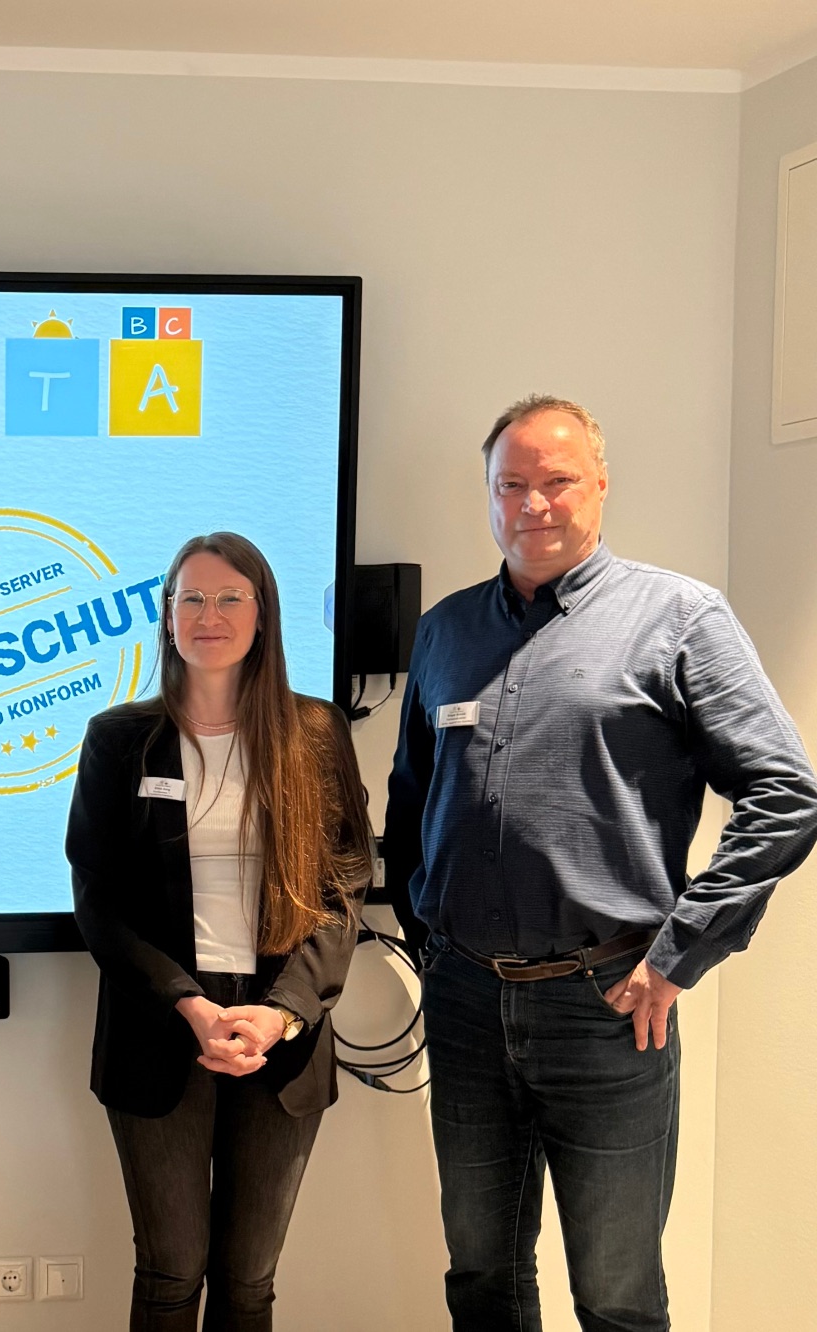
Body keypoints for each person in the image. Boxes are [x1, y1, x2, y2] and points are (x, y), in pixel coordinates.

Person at [384, 395, 817, 1332]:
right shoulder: (446, 631)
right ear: (488, 494)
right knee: (481, 1277)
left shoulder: (680, 617)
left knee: (617, 1296)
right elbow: (411, 798)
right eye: (511, 484)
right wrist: (428, 942)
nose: (534, 503)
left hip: (610, 1005)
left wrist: (679, 954)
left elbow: (785, 794)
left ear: (602, 485)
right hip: (464, 1002)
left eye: (558, 480)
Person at [67, 532, 374, 1332]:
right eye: (192, 598)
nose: (211, 615)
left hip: (282, 1034)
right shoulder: (119, 739)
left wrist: (284, 1012)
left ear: (263, 614)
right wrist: (188, 1003)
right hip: (159, 1026)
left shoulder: (316, 732)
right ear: (167, 616)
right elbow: (99, 898)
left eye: (231, 597)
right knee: (171, 1271)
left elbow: (344, 887)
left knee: (248, 1280)